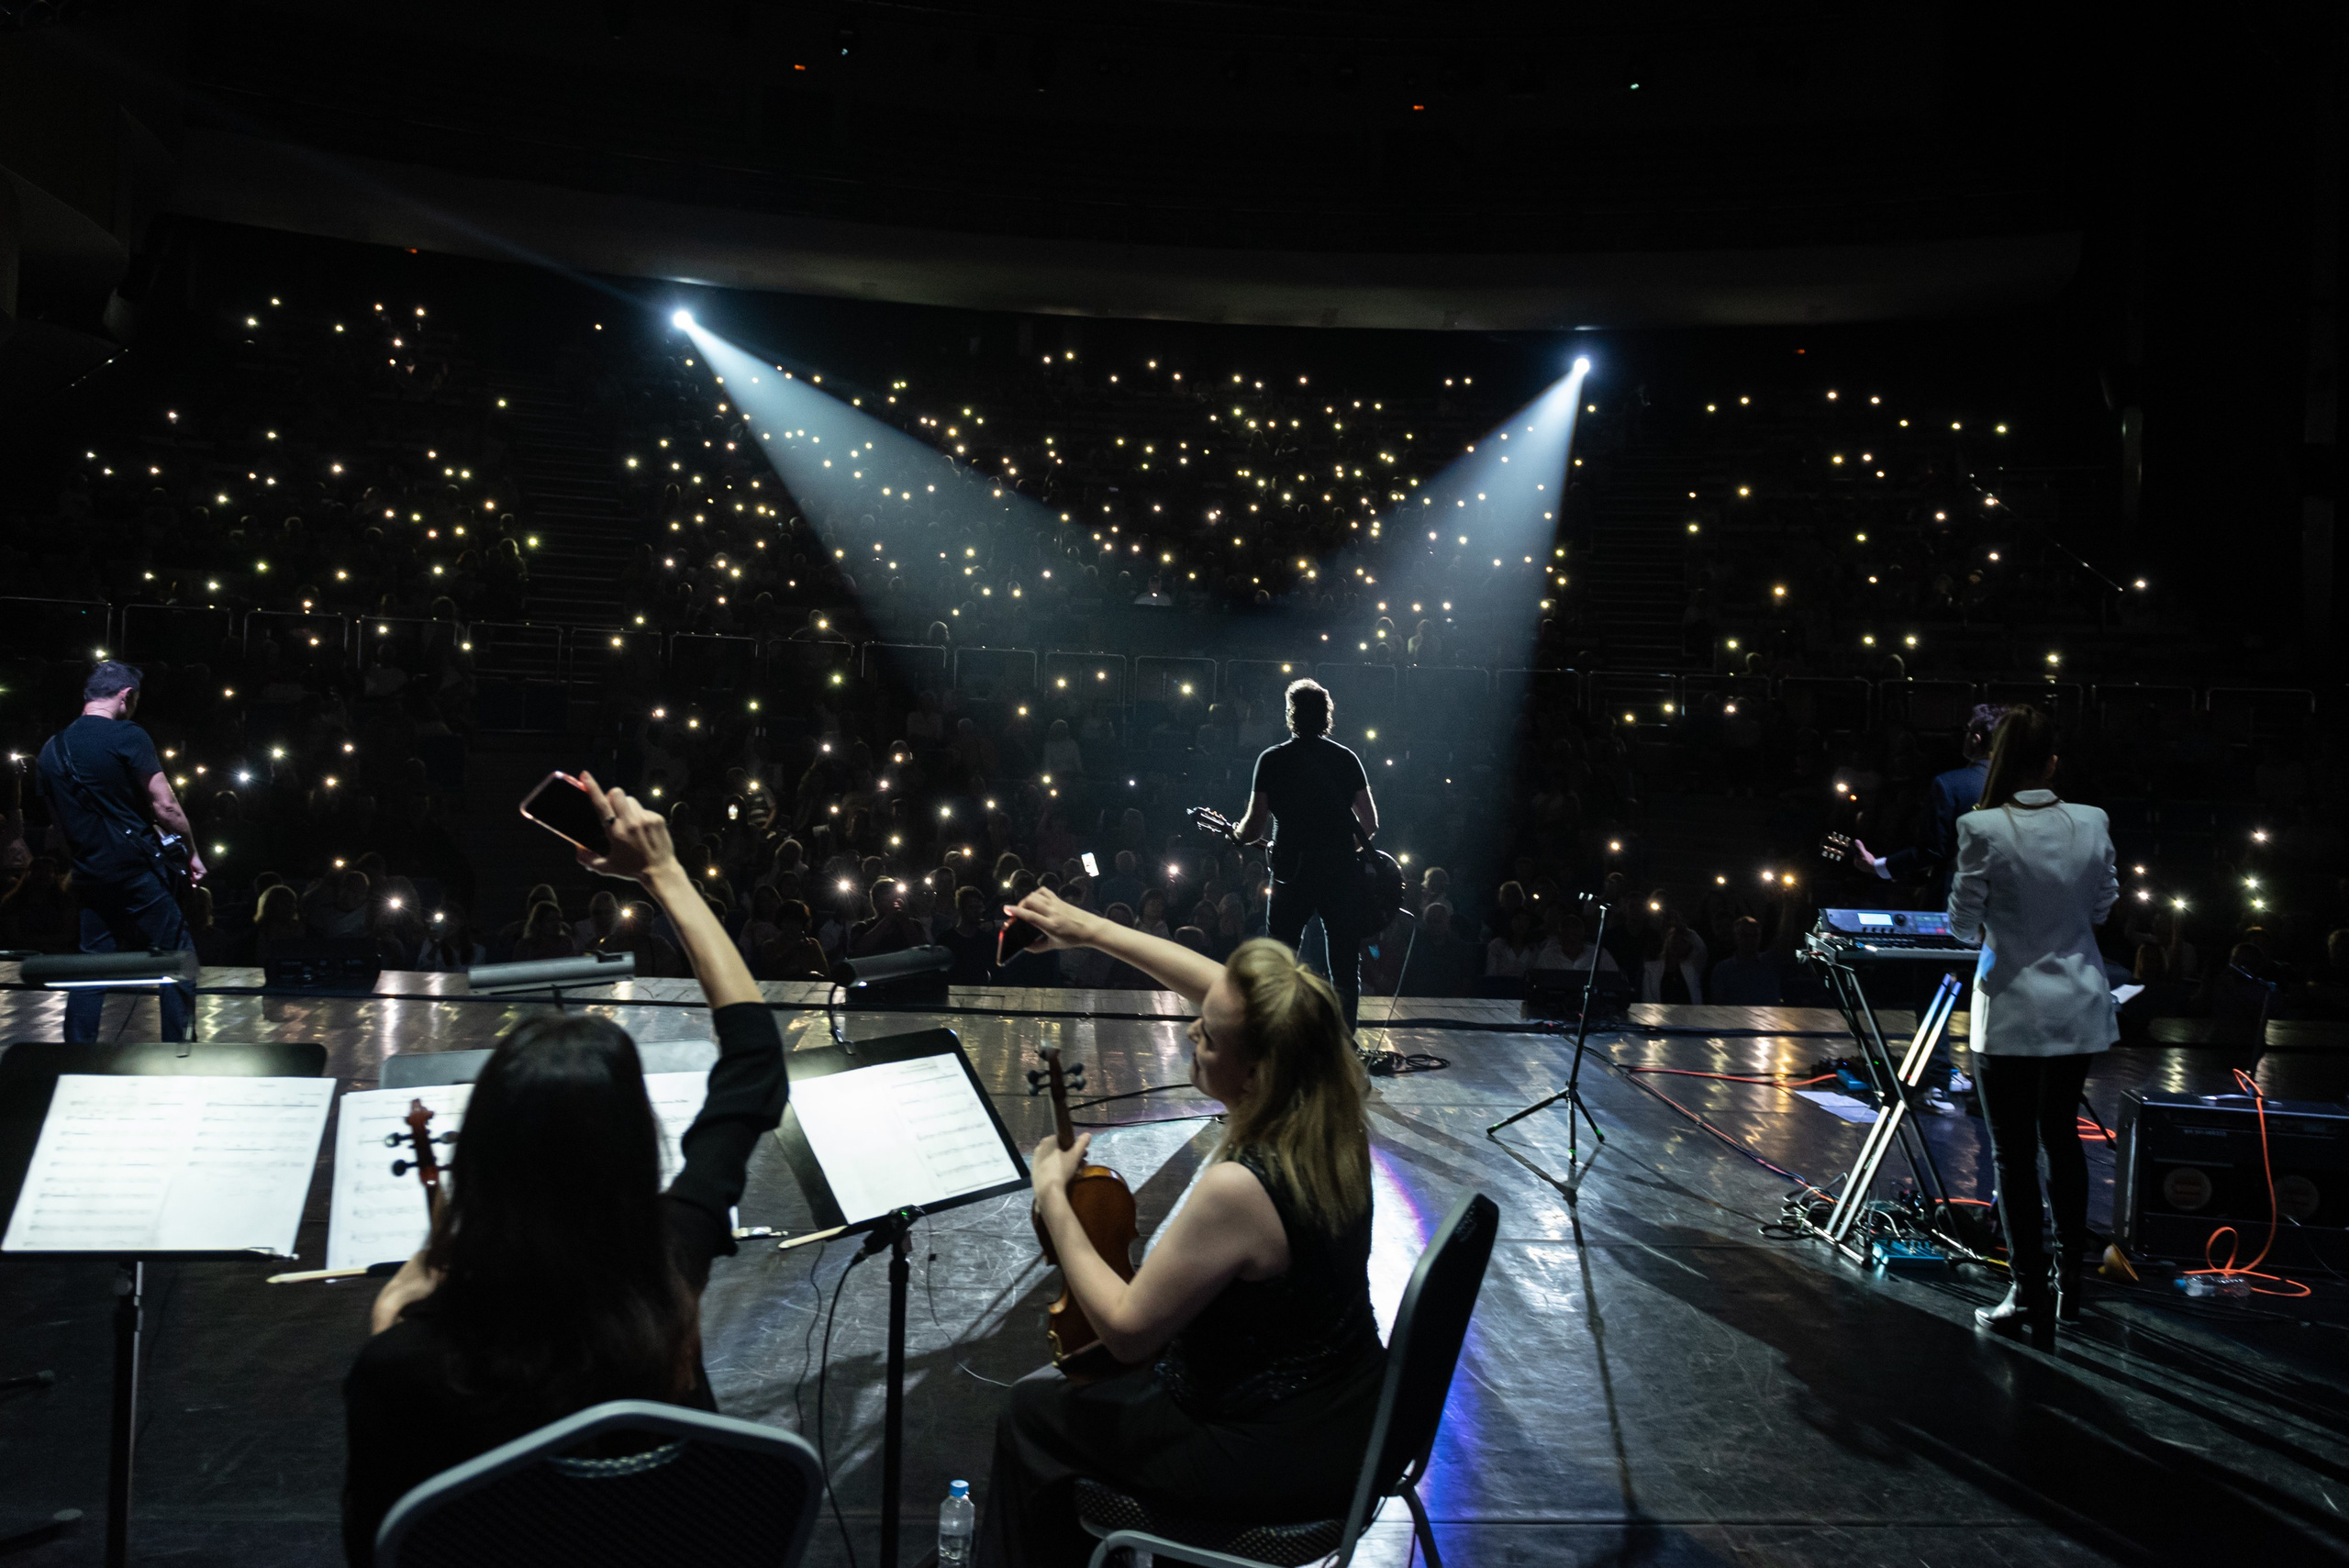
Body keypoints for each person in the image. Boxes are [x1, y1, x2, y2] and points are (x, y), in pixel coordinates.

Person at [342, 773, 785, 1564]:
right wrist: (664, 872)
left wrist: (387, 1325)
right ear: (632, 1149)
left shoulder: (407, 1368)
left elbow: (381, 1550)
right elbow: (754, 1060)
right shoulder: (670, 1263)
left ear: (481, 1156)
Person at [974, 886, 1385, 1567]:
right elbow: (1227, 991)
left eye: (1209, 1036)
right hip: (1344, 1420)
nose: (1193, 1032)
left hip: (1269, 1455)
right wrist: (1089, 929)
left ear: (1254, 1074)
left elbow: (1127, 1329)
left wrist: (1051, 1195)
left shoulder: (1242, 1188)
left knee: (1031, 1414)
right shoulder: (1333, 1099)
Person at [1946, 706, 2118, 1346]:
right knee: (2062, 1140)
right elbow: (2102, 906)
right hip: (2077, 1002)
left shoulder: (1981, 826)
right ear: (2050, 763)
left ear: (1998, 760)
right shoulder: (2093, 820)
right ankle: (2068, 1284)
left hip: (2013, 1009)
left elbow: (1963, 924)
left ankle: (2028, 1293)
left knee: (2013, 1155)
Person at [34, 662, 204, 1040]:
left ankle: (78, 1052)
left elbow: (57, 825)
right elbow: (166, 806)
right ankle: (178, 1050)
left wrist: (83, 861)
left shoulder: (51, 748)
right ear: (126, 696)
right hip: (135, 867)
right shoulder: (128, 735)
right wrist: (191, 852)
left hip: (89, 871)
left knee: (92, 964)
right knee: (178, 954)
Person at [1233, 679, 1376, 1028]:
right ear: (1327, 715)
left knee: (1280, 960)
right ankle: (1343, 1041)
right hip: (1340, 873)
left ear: (1291, 714)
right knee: (1344, 964)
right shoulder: (1346, 758)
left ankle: (1277, 1037)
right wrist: (1340, 852)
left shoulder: (1272, 759)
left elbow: (1253, 829)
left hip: (1291, 872)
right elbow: (1370, 824)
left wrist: (1235, 833)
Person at [1850, 703, 2004, 899]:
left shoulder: (1950, 784)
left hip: (1959, 896)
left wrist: (1877, 866)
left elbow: (1933, 851)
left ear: (1976, 739)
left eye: (1967, 730)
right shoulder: (2024, 787)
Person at [1707, 916, 1783, 1005]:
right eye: (1744, 935)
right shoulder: (1723, 969)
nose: (1750, 940)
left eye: (1754, 935)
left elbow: (1784, 940)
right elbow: (1719, 1003)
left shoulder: (1771, 962)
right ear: (1735, 936)